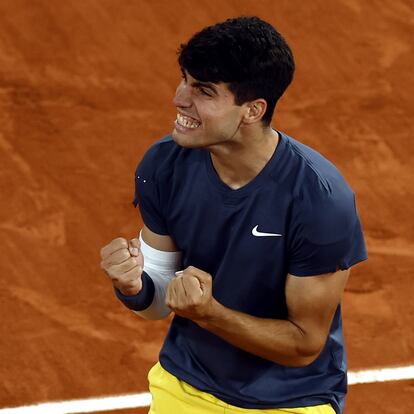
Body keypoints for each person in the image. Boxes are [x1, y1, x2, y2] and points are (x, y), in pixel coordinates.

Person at [100, 16, 367, 414]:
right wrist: (133, 285)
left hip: (290, 401)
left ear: (252, 110)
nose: (179, 99)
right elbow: (159, 300)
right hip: (186, 386)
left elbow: (303, 344)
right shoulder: (163, 165)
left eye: (203, 91)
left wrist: (211, 315)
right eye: (185, 80)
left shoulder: (318, 199)